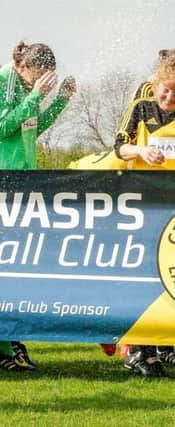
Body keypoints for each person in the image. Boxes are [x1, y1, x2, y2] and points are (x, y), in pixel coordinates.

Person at [0, 41, 76, 371]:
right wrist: (36, 94)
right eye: (38, 74)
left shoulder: (25, 87)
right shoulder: (4, 82)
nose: (41, 81)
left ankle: (11, 342)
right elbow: (0, 127)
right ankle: (2, 347)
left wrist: (60, 99)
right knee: (2, 269)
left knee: (20, 269)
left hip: (24, 182)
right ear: (24, 67)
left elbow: (32, 128)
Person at [112, 49, 175, 377]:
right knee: (146, 276)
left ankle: (167, 342)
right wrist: (140, 150)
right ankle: (139, 349)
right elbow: (119, 144)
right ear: (157, 82)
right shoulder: (143, 105)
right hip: (147, 202)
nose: (169, 96)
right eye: (166, 88)